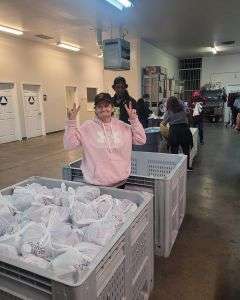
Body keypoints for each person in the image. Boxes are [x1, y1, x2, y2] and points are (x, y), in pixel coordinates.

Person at [64, 93, 146, 187]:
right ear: (95, 110)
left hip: (120, 182)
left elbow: (141, 140)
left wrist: (134, 120)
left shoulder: (122, 126)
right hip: (95, 184)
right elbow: (69, 144)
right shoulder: (87, 127)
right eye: (99, 106)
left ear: (112, 108)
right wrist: (71, 122)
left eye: (106, 106)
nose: (103, 109)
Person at [161, 96, 193, 171]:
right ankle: (187, 167)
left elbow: (164, 123)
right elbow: (188, 115)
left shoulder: (169, 112)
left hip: (174, 131)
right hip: (185, 130)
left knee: (174, 149)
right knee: (186, 150)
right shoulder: (182, 109)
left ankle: (174, 168)